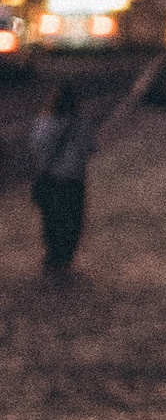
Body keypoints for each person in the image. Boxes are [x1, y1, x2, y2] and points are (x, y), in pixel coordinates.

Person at [27, 82, 104, 278]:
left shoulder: (44, 122)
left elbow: (36, 146)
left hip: (52, 178)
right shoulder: (80, 124)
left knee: (52, 218)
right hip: (74, 179)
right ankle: (65, 256)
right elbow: (91, 148)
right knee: (72, 219)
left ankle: (52, 254)